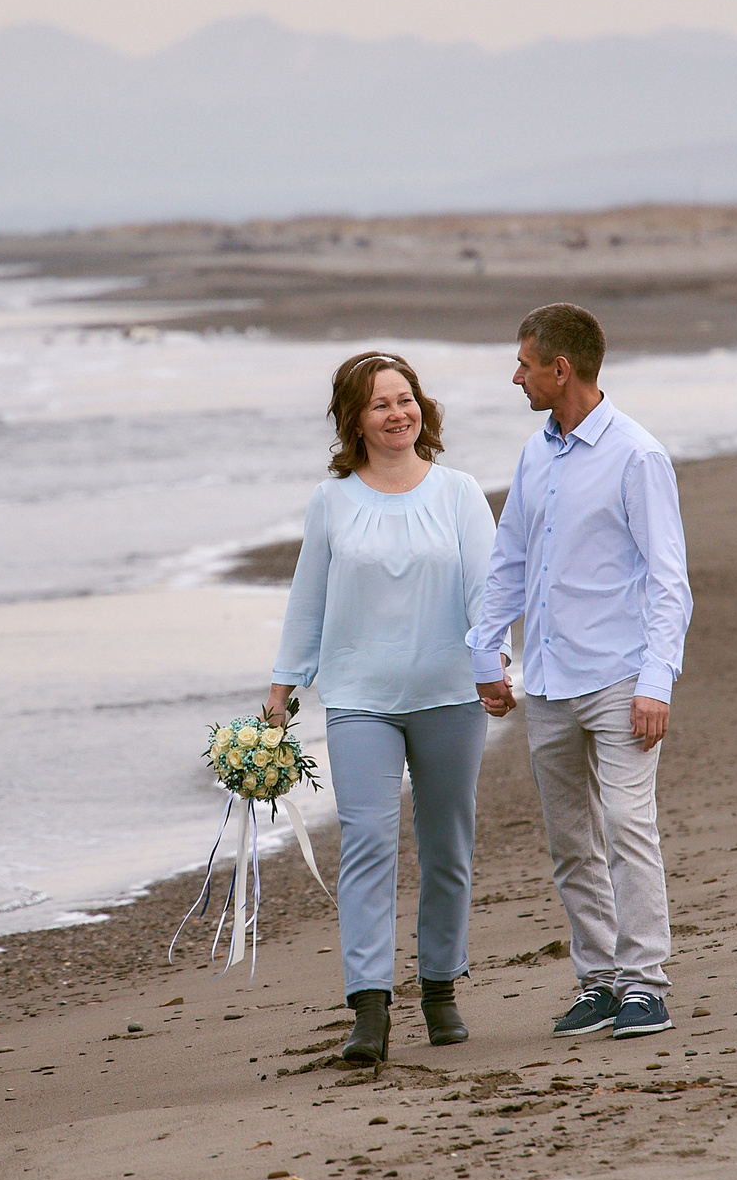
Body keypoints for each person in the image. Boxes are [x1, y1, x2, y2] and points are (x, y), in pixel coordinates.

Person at [470, 303, 692, 1042]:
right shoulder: (538, 453)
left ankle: (644, 985)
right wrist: (487, 651)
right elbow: (510, 557)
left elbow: (669, 580)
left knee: (629, 826)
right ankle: (598, 982)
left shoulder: (637, 455)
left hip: (622, 678)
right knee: (571, 840)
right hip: (551, 679)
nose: (516, 374)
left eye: (525, 362)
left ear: (559, 368)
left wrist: (657, 680)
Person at [267, 351, 497, 1064]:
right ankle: (369, 1006)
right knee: (367, 841)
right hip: (360, 697)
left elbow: (487, 591)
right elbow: (308, 597)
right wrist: (284, 681)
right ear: (354, 420)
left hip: (450, 693)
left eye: (406, 399)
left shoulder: (458, 492)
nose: (398, 413)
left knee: (446, 846)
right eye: (380, 404)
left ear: (421, 407)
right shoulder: (331, 501)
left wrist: (494, 669)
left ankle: (439, 987)